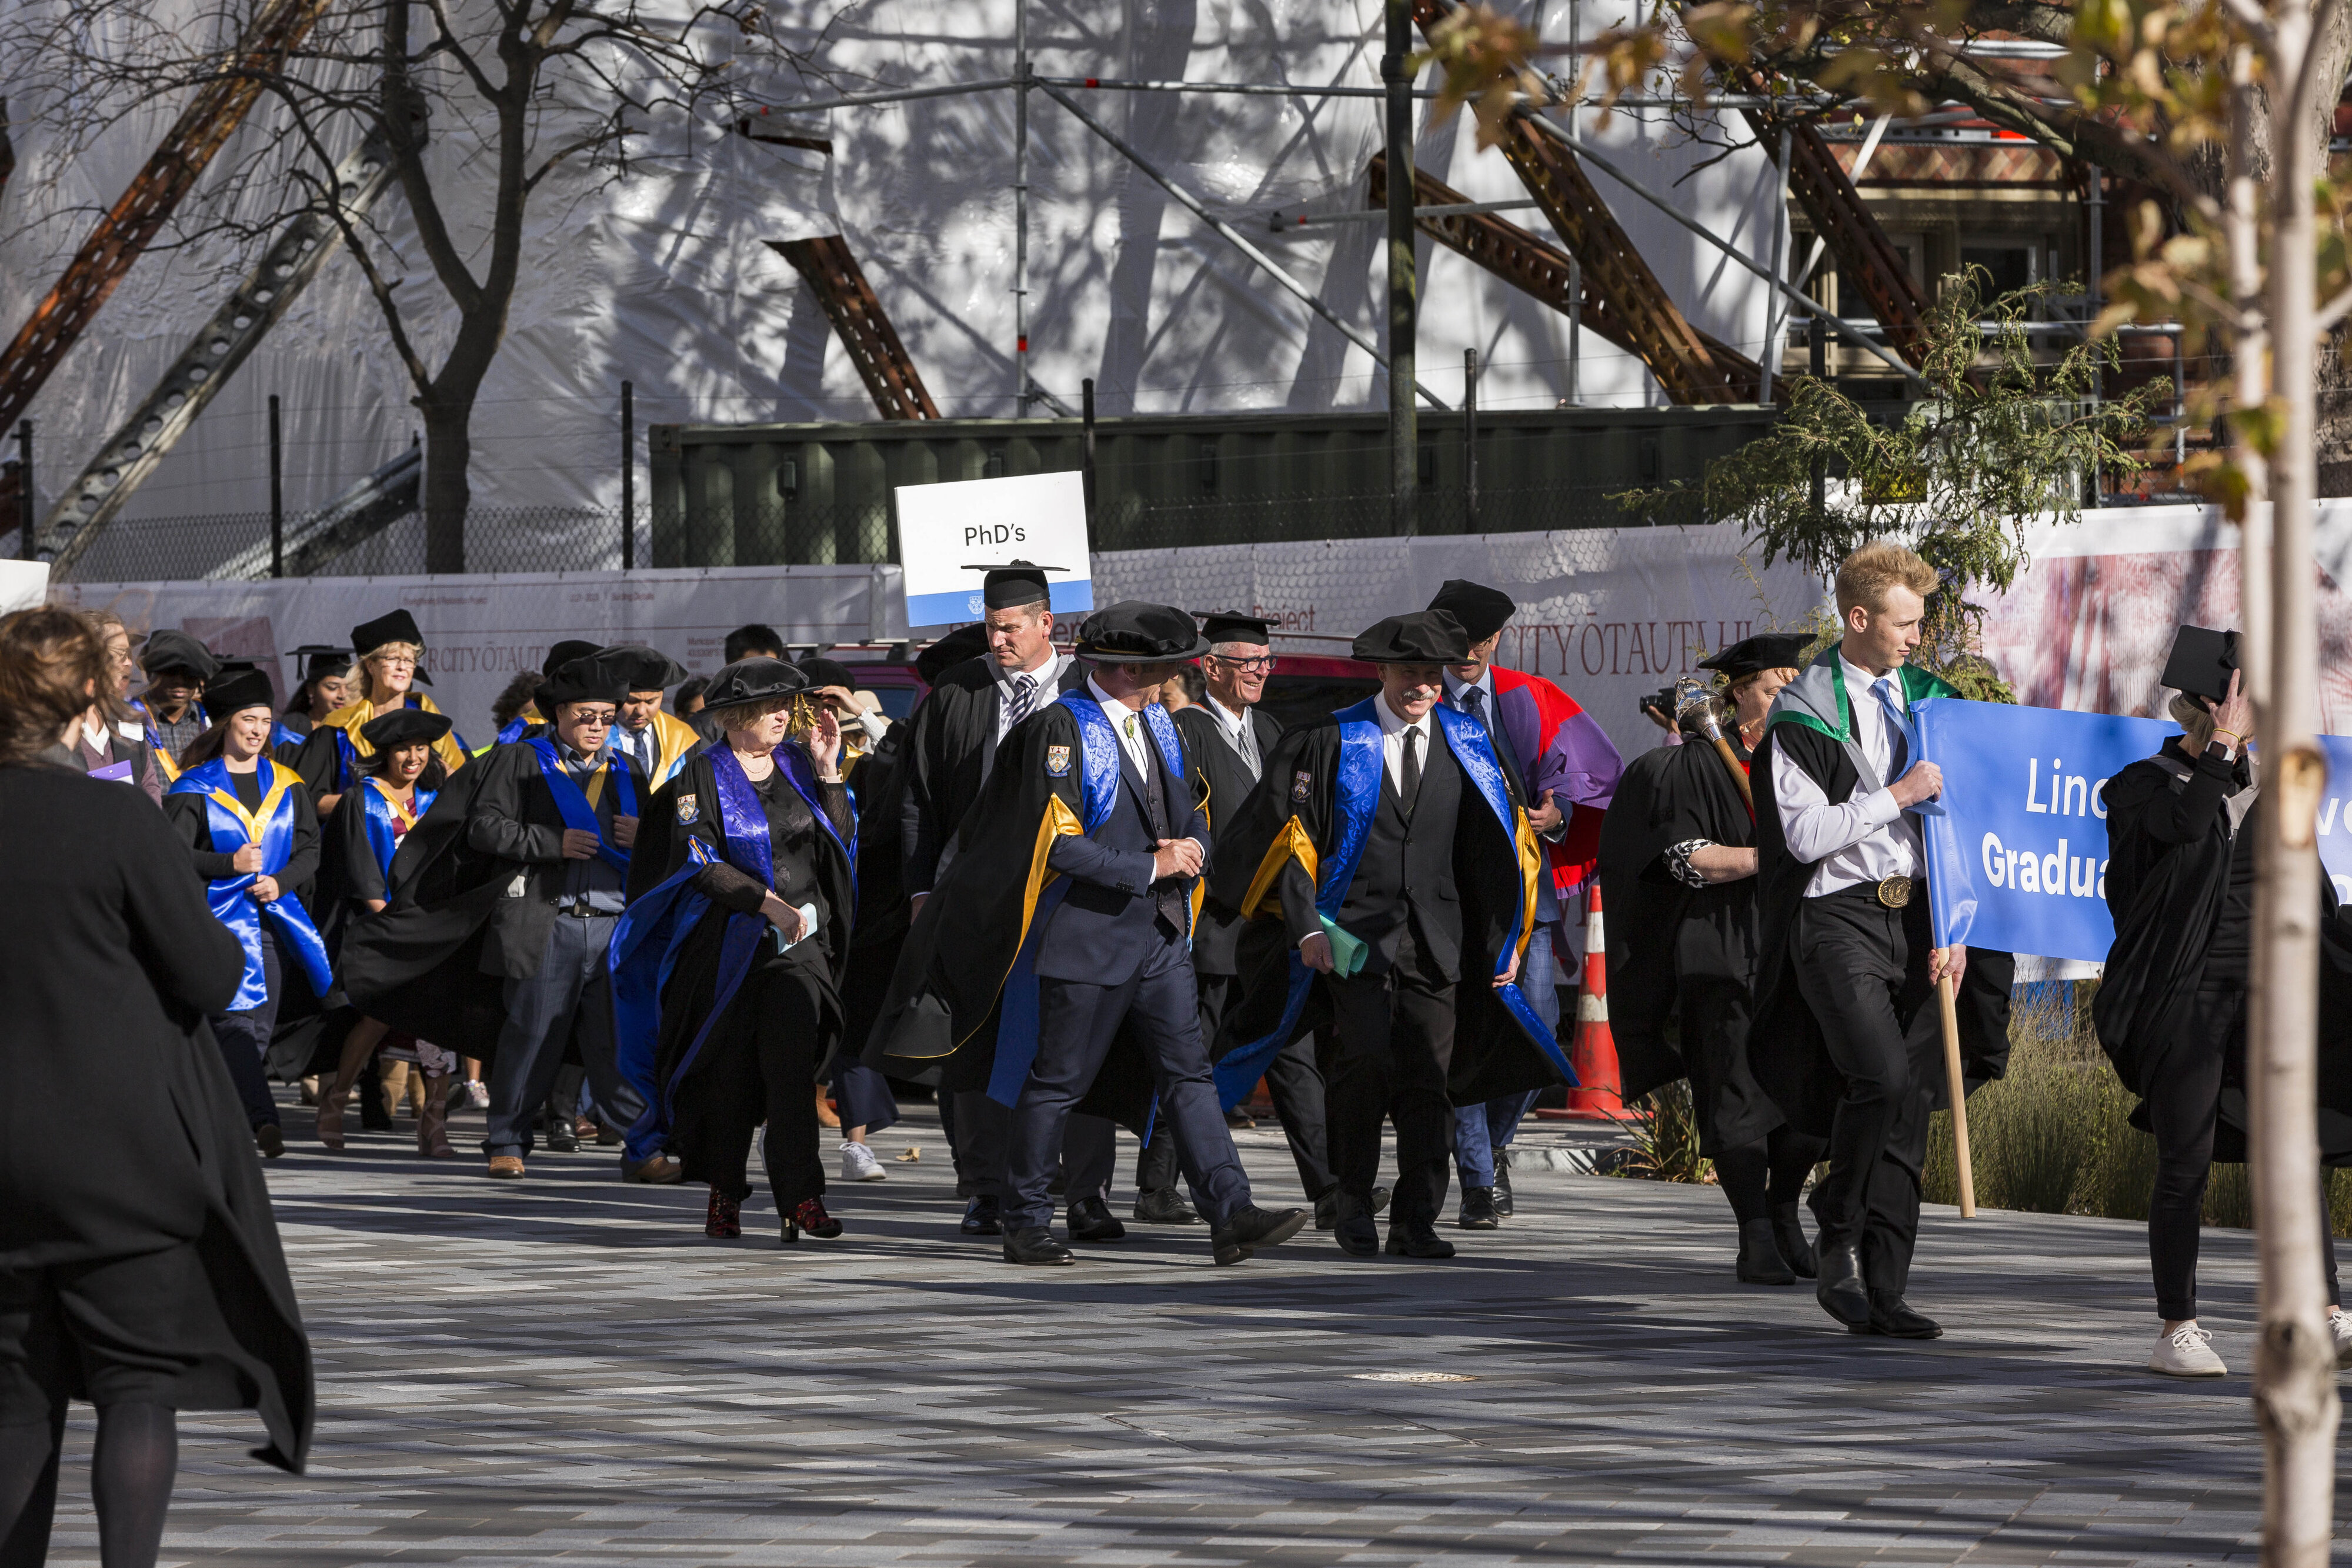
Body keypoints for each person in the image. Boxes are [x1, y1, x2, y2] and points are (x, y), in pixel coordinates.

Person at [0, 606, 312, 1564]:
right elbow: (214, 976)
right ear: (91, 696)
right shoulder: (116, 816)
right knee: (137, 1383)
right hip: (122, 1145)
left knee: (14, 1395)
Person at [871, 602, 1309, 1267]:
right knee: (1058, 1081)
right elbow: (1053, 841)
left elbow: (1193, 805)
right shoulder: (1062, 728)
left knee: (1188, 1075)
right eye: (1161, 667)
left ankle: (1231, 1210)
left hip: (1160, 936)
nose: (1170, 678)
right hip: (1085, 936)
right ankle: (1023, 1217)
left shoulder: (1158, 721)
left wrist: (1192, 842)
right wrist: (1150, 864)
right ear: (1126, 668)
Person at [1209, 609, 1569, 1260]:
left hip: (1440, 941)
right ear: (1382, 671)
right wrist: (1305, 929)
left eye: (1433, 674)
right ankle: (1351, 1198)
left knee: (1429, 1080)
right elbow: (1295, 845)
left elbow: (1499, 847)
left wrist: (1506, 940)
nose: (1422, 685)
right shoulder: (1333, 740)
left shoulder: (1469, 741)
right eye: (1410, 672)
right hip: (1351, 940)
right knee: (1364, 1065)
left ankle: (1416, 1218)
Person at [1744, 541, 2012, 1340]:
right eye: (1903, 623)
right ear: (1856, 619)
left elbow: (1959, 824)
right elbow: (1802, 836)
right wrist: (1895, 793)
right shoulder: (1802, 712)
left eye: (1920, 622)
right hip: (1838, 918)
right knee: (1881, 1077)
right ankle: (1835, 1216)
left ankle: (1885, 1290)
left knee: (1911, 1103)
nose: (1914, 639)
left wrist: (1956, 925)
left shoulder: (1928, 700)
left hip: (1918, 918)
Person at [2096, 652, 2352, 1376]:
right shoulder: (2142, 787)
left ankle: (2324, 1312)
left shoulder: (2264, 786)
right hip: (2184, 996)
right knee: (2186, 1160)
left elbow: (2311, 882)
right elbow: (2182, 828)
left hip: (2265, 997)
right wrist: (2221, 751)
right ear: (2213, 710)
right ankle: (2177, 1325)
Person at [336, 652, 663, 1182]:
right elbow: (483, 827)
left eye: (607, 716)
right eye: (587, 715)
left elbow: (656, 847)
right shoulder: (521, 761)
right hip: (545, 923)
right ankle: (507, 1140)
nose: (598, 727)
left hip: (612, 927)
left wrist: (645, 836)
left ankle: (643, 1149)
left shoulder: (627, 769)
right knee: (530, 1036)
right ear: (558, 712)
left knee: (617, 1044)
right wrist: (549, 841)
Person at [1600, 632, 1827, 1285]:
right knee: (1734, 1097)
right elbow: (1685, 856)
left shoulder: (1812, 759)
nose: (1789, 691)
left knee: (1811, 1099)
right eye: (1774, 682)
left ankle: (1784, 1208)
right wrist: (1771, 858)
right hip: (1723, 953)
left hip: (1801, 950)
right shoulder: (1690, 766)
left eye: (1796, 680)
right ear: (1737, 695)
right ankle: (1754, 1228)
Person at [895, 564, 1113, 1239]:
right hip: (976, 903)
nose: (998, 639)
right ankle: (986, 1187)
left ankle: (1085, 1192)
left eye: (1009, 626)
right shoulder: (957, 692)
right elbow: (917, 801)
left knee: (1075, 1045)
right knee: (978, 1042)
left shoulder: (1091, 693)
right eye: (990, 627)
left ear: (1047, 623)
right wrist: (923, 887)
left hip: (1069, 898)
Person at [612, 659, 859, 1243]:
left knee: (792, 1072)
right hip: (726, 945)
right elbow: (697, 861)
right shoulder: (701, 774)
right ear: (736, 716)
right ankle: (726, 1191)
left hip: (797, 947)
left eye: (786, 706)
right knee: (729, 1076)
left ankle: (802, 1196)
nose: (783, 715)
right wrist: (763, 902)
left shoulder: (800, 764)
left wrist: (831, 774)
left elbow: (841, 841)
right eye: (771, 707)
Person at [1426, 578, 1623, 1226]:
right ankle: (1479, 1179)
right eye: (1458, 642)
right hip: (1452, 903)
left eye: (1481, 641)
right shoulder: (1421, 707)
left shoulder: (1523, 696)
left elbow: (1570, 768)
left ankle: (1495, 1147)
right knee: (1470, 1039)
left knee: (1536, 1036)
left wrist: (1558, 811)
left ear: (1498, 639)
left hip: (1524, 903)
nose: (1469, 654)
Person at [1155, 611, 1336, 1227]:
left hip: (1270, 927)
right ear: (1211, 667)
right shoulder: (1186, 729)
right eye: (1248, 661)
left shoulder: (1273, 731)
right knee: (1195, 1053)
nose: (1261, 671)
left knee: (1290, 1051)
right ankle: (1157, 1182)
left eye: (1266, 661)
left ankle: (1332, 1187)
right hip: (1210, 923)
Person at [162, 665, 335, 1163]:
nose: (259, 730)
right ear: (225, 725)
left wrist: (281, 880)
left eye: (264, 720)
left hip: (274, 922)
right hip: (216, 923)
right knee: (235, 1024)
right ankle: (262, 1120)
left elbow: (309, 849)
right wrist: (226, 864)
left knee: (257, 1031)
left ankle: (222, 1123)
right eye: (247, 720)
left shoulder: (288, 783)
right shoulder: (193, 787)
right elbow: (171, 855)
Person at [309, 708, 459, 1156]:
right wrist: (391, 918)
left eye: (420, 749)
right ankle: (335, 1102)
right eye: (402, 750)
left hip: (432, 924)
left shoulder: (438, 797)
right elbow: (360, 869)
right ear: (385, 754)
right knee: (378, 1016)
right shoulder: (362, 799)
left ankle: (434, 1122)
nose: (412, 758)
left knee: (441, 1022)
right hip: (380, 923)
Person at [796, 656, 900, 1177]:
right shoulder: (787, 761)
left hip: (868, 912)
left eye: (830, 702)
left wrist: (863, 714)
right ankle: (784, 1123)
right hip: (805, 910)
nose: (821, 714)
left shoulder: (873, 758)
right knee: (802, 1020)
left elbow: (909, 768)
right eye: (809, 703)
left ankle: (855, 1144)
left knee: (857, 1025)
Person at [292, 610, 469, 815]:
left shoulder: (428, 720)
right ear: (370, 665)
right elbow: (309, 800)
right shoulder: (340, 729)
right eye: (393, 658)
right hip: (358, 839)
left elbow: (460, 785)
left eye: (409, 660)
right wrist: (368, 803)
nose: (402, 667)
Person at [68, 609, 164, 804]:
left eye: (129, 654)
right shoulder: (56, 719)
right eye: (121, 654)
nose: (129, 663)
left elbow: (149, 784)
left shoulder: (126, 714)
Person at [133, 628, 219, 782]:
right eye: (171, 672)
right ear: (151, 673)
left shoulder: (213, 720)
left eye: (190, 674)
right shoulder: (127, 717)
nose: (180, 681)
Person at [608, 645, 701, 787]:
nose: (640, 711)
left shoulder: (681, 737)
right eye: (632, 701)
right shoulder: (597, 734)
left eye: (651, 701)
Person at [276, 645, 355, 760]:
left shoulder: (355, 726)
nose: (343, 695)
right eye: (333, 687)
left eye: (349, 687)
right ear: (311, 689)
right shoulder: (291, 730)